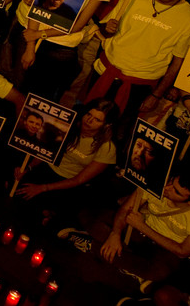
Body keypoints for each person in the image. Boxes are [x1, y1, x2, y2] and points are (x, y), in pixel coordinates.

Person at [86, 0, 190, 118]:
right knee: (84, 119)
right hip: (104, 71)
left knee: (117, 133)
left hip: (140, 85)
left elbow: (179, 62)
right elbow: (105, 32)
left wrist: (156, 95)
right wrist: (107, 28)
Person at [16, 98, 120, 237]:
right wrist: (28, 168)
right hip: (47, 169)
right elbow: (46, 151)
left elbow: (78, 180)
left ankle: (53, 217)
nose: (89, 120)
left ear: (106, 125)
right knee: (20, 196)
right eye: (88, 114)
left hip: (70, 183)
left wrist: (42, 188)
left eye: (97, 120)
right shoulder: (69, 126)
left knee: (40, 218)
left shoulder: (107, 148)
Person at [101, 168, 190, 284]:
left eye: (176, 191)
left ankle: (96, 248)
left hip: (167, 248)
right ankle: (131, 267)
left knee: (161, 271)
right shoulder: (159, 182)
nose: (167, 188)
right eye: (171, 181)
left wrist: (143, 227)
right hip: (141, 228)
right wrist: (115, 233)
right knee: (94, 217)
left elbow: (182, 251)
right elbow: (126, 208)